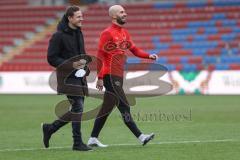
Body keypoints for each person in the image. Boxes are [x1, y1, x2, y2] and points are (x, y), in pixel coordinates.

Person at [87, 5, 158, 147]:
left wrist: (148, 56)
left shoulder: (124, 33)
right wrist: (100, 77)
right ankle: (141, 136)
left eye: (125, 11)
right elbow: (101, 55)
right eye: (122, 12)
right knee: (124, 105)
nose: (125, 14)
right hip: (110, 75)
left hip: (118, 76)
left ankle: (93, 138)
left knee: (106, 109)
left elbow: (134, 49)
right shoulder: (107, 33)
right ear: (114, 16)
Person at [42, 5, 92, 151]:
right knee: (78, 106)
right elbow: (51, 58)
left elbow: (82, 54)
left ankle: (50, 128)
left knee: (77, 108)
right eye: (78, 16)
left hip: (79, 76)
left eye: (82, 16)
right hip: (67, 77)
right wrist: (72, 64)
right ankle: (77, 143)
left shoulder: (79, 33)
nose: (82, 18)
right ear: (70, 18)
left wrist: (85, 65)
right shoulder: (58, 36)